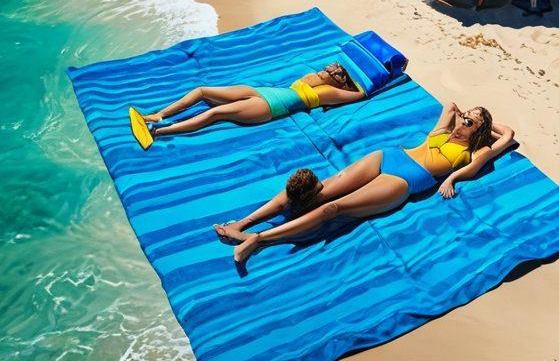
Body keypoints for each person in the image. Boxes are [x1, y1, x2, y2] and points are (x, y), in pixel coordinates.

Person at [214, 103, 514, 269]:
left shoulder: (476, 151)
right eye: (465, 117)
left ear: (480, 131)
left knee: (334, 208)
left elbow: (508, 135)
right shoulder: (442, 131)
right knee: (319, 189)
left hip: (404, 180)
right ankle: (241, 223)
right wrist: (467, 116)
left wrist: (452, 175)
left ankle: (258, 238)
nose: (463, 121)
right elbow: (450, 106)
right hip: (388, 156)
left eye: (471, 122)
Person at [130, 62, 364, 147]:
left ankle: (158, 133)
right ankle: (158, 116)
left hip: (268, 108)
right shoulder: (312, 78)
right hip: (261, 92)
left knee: (216, 112)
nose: (328, 69)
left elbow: (359, 95)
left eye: (334, 72)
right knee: (202, 91)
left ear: (337, 81)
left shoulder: (328, 93)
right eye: (329, 68)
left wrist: (360, 86)